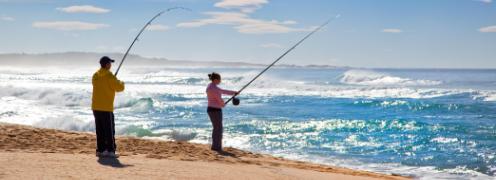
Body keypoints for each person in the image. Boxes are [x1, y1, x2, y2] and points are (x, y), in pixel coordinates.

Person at [91, 56, 125, 158]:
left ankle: (100, 150)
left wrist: (112, 80)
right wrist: (120, 82)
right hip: (106, 108)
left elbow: (102, 84)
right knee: (109, 130)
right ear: (106, 65)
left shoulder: (95, 75)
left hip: (96, 107)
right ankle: (110, 151)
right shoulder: (110, 76)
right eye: (110, 63)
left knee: (100, 130)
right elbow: (120, 88)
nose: (111, 65)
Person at [206, 72, 238, 151]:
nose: (220, 81)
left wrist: (233, 92)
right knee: (218, 129)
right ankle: (217, 147)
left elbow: (223, 91)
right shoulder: (214, 89)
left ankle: (215, 146)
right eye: (220, 79)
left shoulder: (210, 86)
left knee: (216, 128)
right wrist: (223, 105)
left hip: (210, 109)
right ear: (216, 80)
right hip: (216, 110)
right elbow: (219, 100)